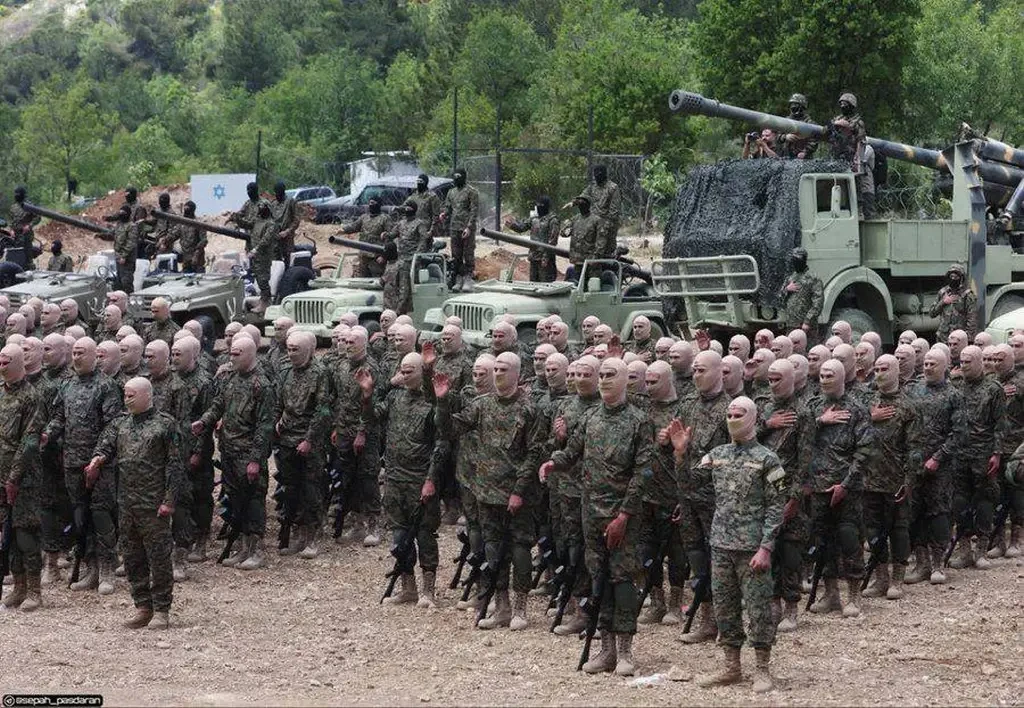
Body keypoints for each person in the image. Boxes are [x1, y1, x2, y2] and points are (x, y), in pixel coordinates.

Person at [542, 357, 652, 676]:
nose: (603, 380)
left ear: (624, 380)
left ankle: (626, 650)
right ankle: (607, 648)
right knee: (598, 578)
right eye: (601, 375)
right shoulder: (590, 417)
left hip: (622, 516)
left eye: (610, 375)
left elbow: (643, 472)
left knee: (622, 580)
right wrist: (554, 463)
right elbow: (572, 452)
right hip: (591, 512)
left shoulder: (639, 421)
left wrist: (624, 515)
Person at [436, 353, 540, 629]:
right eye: (496, 369)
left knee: (520, 548)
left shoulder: (530, 409)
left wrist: (519, 490)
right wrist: (443, 401)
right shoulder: (482, 405)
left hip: (517, 493)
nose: (498, 374)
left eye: (503, 369)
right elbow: (449, 430)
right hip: (486, 491)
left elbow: (534, 454)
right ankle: (501, 605)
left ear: (516, 374)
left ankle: (520, 608)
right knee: (493, 550)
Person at [688, 396, 785, 693]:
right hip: (721, 546)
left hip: (752, 549)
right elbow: (691, 483)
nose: (732, 419)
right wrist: (680, 455)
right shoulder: (717, 455)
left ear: (753, 418)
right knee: (725, 608)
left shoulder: (768, 459)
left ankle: (762, 669)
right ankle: (731, 667)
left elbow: (777, 506)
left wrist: (766, 547)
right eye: (729, 415)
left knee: (758, 609)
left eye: (739, 414)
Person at [88, 377, 183, 630]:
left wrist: (169, 500)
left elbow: (175, 465)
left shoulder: (165, 424)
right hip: (127, 503)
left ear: (147, 396)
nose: (127, 399)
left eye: (132, 395)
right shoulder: (120, 423)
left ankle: (161, 609)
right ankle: (142, 605)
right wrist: (98, 459)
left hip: (153, 505)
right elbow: (105, 445)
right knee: (132, 557)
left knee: (159, 558)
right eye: (125, 395)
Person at [42, 338, 123, 594]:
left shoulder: (106, 386)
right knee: (80, 517)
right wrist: (47, 435)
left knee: (101, 515)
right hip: (72, 462)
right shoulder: (67, 384)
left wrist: (99, 458)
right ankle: (91, 567)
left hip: (99, 464)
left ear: (94, 356)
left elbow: (112, 426)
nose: (76, 357)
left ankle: (107, 568)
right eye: (74, 353)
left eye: (81, 353)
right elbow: (58, 418)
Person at [191, 335, 275, 570]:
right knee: (236, 499)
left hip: (248, 454)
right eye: (231, 353)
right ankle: (243, 547)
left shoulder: (262, 385)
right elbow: (218, 404)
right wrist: (204, 421)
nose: (232, 357)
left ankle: (256, 549)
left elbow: (264, 426)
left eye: (237, 354)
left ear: (249, 354)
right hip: (229, 451)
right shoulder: (230, 378)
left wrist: (256, 460)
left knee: (254, 501)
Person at [803, 359, 873, 617]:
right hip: (818, 487)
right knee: (822, 541)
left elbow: (865, 451)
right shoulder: (812, 407)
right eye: (822, 376)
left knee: (849, 537)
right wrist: (820, 421)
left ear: (842, 377)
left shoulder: (857, 409)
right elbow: (801, 439)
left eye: (830, 376)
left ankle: (853, 595)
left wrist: (845, 484)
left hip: (846, 488)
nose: (824, 380)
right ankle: (830, 593)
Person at [670, 350, 731, 643]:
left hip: (716, 499)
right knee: (696, 558)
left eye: (701, 370)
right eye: (694, 370)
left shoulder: (731, 409)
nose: (696, 375)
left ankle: (725, 622)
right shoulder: (688, 404)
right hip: (689, 495)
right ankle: (707, 620)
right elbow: (680, 451)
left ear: (719, 371)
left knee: (720, 561)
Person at [376, 353, 443, 608]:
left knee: (425, 535)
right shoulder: (395, 398)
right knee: (399, 536)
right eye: (402, 372)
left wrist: (431, 479)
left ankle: (428, 590)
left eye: (409, 372)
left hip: (420, 478)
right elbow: (372, 415)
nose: (405, 376)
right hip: (395, 477)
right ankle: (408, 587)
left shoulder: (432, 402)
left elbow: (440, 445)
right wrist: (372, 391)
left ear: (421, 372)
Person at [756, 359, 812, 632]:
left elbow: (806, 459)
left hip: (788, 487)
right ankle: (773, 604)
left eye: (778, 379)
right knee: (769, 548)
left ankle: (791, 608)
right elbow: (747, 439)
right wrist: (767, 424)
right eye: (770, 379)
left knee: (790, 550)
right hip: (765, 489)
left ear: (791, 379)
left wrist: (795, 497)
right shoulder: (763, 407)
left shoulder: (803, 412)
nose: (772, 384)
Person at [947, 345, 1005, 569]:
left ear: (980, 362)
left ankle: (981, 549)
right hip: (959, 453)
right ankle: (964, 550)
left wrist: (997, 453)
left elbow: (1000, 424)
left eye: (968, 362)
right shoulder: (956, 387)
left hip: (984, 453)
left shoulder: (993, 389)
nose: (963, 366)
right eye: (961, 362)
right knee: (959, 500)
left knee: (985, 500)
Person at [861, 355, 914, 599]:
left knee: (899, 528)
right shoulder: (867, 401)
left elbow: (915, 446)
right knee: (872, 528)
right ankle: (880, 575)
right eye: (877, 369)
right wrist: (869, 418)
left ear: (896, 371)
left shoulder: (907, 405)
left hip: (895, 478)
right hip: (869, 477)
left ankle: (898, 578)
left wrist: (909, 480)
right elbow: (851, 430)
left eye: (885, 369)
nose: (880, 373)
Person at [274, 331, 331, 558]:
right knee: (291, 490)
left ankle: (312, 536)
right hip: (287, 439)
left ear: (307, 350)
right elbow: (278, 402)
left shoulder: (320, 373)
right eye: (289, 349)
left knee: (311, 490)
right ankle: (298, 534)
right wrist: (277, 422)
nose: (291, 353)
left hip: (309, 441)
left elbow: (322, 410)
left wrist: (309, 439)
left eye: (295, 349)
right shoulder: (285, 371)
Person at [0, 344, 44, 613]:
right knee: (9, 534)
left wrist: (14, 478)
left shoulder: (31, 397)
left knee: (26, 532)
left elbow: (29, 442)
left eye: (6, 362)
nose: (1, 365)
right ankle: (18, 586)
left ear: (19, 363)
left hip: (24, 478)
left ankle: (34, 590)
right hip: (0, 474)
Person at [168, 336, 214, 566]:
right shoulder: (171, 379)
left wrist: (198, 452)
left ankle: (201, 539)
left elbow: (208, 421)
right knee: (179, 497)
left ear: (192, 356)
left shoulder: (204, 382)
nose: (174, 358)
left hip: (196, 448)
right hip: (175, 449)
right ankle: (182, 540)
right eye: (173, 354)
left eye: (179, 354)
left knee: (200, 495)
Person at [386, 201, 430, 315]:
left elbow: (423, 240)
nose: (407, 210)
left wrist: (417, 255)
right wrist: (386, 235)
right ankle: (393, 305)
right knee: (394, 283)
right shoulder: (401, 223)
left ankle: (402, 310)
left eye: (409, 208)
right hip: (400, 258)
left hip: (412, 260)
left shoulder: (419, 224)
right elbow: (392, 234)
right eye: (406, 208)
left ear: (414, 210)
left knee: (405, 287)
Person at [440, 167, 480, 292]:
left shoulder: (471, 192)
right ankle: (458, 278)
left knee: (468, 254)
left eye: (459, 177)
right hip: (454, 228)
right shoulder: (451, 192)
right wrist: (444, 214)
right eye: (455, 177)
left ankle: (468, 278)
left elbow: (474, 211)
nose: (456, 179)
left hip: (466, 229)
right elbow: (448, 207)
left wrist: (469, 227)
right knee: (456, 255)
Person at [505, 196, 561, 283]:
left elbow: (552, 241)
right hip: (534, 257)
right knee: (533, 283)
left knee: (545, 284)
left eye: (540, 205)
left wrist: (546, 257)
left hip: (545, 259)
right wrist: (512, 225)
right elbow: (522, 228)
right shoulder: (534, 219)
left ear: (546, 206)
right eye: (537, 205)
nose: (538, 207)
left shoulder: (553, 220)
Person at [339, 198, 389, 278]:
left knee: (376, 279)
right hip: (363, 256)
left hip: (376, 257)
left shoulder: (385, 219)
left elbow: (390, 238)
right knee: (362, 279)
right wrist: (343, 230)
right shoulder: (364, 217)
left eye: (373, 203)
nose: (370, 205)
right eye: (370, 203)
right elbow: (354, 226)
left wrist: (384, 256)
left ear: (379, 204)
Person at [781, 248, 823, 335]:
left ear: (804, 260)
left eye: (798, 260)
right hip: (791, 324)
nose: (795, 262)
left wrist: (807, 321)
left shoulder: (813, 278)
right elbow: (780, 297)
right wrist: (787, 289)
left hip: (806, 325)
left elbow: (818, 302)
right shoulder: (791, 277)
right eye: (794, 260)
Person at [582, 164, 621, 259]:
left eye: (599, 174)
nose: (597, 177)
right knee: (591, 248)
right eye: (595, 175)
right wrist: (575, 202)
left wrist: (605, 225)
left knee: (608, 250)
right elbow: (583, 196)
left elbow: (614, 210)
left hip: (607, 223)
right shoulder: (592, 187)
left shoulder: (612, 188)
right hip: (593, 223)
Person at [929, 264, 977, 342]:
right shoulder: (943, 292)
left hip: (958, 339)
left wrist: (968, 338)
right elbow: (932, 313)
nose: (953, 279)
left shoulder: (967, 295)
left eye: (956, 277)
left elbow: (972, 319)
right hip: (943, 337)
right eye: (951, 276)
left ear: (961, 278)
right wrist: (943, 302)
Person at [827, 92, 867, 182]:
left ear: (851, 106)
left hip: (850, 157)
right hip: (835, 155)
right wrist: (834, 125)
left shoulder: (858, 123)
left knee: (851, 182)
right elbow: (825, 132)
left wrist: (857, 159)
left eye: (845, 104)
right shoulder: (837, 119)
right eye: (841, 104)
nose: (842, 106)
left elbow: (861, 142)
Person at [248, 200, 279, 311]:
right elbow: (247, 225)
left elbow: (266, 239)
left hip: (264, 256)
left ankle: (265, 302)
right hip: (256, 256)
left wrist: (255, 249)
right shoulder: (257, 221)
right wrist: (236, 218)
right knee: (258, 277)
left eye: (263, 206)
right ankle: (263, 299)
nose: (260, 208)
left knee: (263, 279)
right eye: (259, 206)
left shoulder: (271, 224)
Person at [567, 195, 600, 283]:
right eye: (579, 203)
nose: (581, 206)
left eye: (583, 203)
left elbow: (600, 242)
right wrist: (568, 227)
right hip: (578, 261)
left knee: (592, 286)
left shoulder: (596, 220)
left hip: (591, 262)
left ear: (588, 205)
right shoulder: (575, 219)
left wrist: (595, 258)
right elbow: (563, 233)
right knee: (578, 285)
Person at [777, 93, 818, 159]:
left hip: (803, 158)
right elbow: (777, 136)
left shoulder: (809, 123)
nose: (793, 107)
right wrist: (785, 137)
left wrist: (805, 152)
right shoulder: (786, 121)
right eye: (792, 105)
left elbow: (814, 141)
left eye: (795, 105)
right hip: (786, 156)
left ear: (802, 107)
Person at [9, 186, 41, 269]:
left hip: (26, 235)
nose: (16, 195)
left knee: (28, 257)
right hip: (16, 236)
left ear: (22, 194)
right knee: (17, 256)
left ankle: (30, 271)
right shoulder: (13, 207)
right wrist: (11, 230)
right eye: (15, 194)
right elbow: (11, 220)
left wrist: (29, 225)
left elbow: (38, 217)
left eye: (18, 194)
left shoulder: (29, 206)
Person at [172, 201, 208, 273]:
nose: (185, 212)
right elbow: (175, 234)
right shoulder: (181, 223)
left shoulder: (199, 223)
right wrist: (165, 240)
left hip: (197, 260)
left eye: (187, 210)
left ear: (192, 211)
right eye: (185, 209)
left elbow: (203, 241)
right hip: (186, 260)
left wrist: (196, 255)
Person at [406, 174, 443, 240]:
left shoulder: (432, 196)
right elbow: (405, 207)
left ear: (425, 183)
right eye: (418, 181)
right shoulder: (413, 195)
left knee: (425, 245)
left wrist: (431, 231)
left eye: (421, 182)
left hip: (425, 228)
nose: (419, 184)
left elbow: (436, 216)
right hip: (413, 228)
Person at [271, 181, 300, 262]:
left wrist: (287, 231)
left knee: (288, 260)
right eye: (275, 193)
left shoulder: (291, 202)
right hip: (275, 239)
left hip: (287, 239)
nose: (276, 195)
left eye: (278, 193)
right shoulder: (273, 204)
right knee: (275, 262)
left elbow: (296, 220)